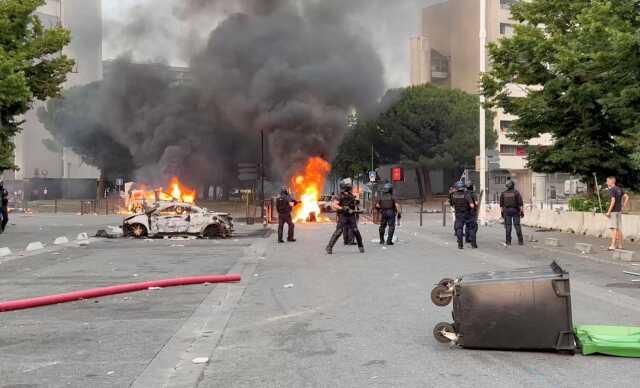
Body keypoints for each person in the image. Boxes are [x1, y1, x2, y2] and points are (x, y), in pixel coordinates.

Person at [326, 180, 364, 254]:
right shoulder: (340, 195)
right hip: (343, 216)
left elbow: (354, 205)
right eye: (348, 185)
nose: (350, 186)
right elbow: (334, 205)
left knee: (355, 231)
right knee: (338, 231)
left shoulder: (351, 195)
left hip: (351, 216)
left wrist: (357, 210)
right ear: (345, 187)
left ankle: (361, 246)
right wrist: (343, 208)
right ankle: (329, 247)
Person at [605, 176, 629, 250]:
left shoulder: (612, 190)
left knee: (614, 229)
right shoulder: (619, 189)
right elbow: (627, 197)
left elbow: (613, 201)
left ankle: (612, 245)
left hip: (614, 212)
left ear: (611, 182)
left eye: (607, 181)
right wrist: (623, 206)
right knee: (619, 229)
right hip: (619, 211)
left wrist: (608, 212)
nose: (606, 182)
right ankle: (620, 245)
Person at [450, 181, 476, 249]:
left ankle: (460, 245)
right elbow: (472, 205)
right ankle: (473, 244)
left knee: (459, 229)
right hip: (467, 214)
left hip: (458, 214)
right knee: (471, 228)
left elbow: (452, 205)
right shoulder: (467, 194)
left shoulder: (453, 195)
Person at [500, 179, 524, 246]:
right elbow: (520, 204)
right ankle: (520, 241)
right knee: (517, 226)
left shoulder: (503, 193)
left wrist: (502, 213)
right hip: (515, 211)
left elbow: (501, 205)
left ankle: (508, 241)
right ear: (513, 185)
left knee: (508, 226)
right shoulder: (516, 193)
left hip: (507, 211)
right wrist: (522, 212)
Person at [465, 181, 479, 245]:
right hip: (472, 212)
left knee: (467, 225)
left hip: (465, 212)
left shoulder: (464, 193)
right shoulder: (473, 194)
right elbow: (475, 203)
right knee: (473, 226)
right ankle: (472, 240)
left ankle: (467, 239)